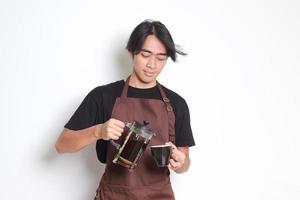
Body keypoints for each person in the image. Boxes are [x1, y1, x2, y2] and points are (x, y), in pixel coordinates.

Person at [55, 19, 195, 200]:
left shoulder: (176, 103)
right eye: (146, 55)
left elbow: (185, 163)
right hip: (114, 196)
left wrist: (181, 163)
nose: (152, 64)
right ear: (132, 52)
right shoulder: (103, 96)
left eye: (161, 58)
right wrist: (98, 131)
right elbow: (62, 145)